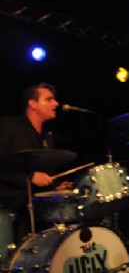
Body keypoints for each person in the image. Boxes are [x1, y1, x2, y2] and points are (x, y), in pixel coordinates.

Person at [0, 83, 73, 248]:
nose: (56, 104)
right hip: (9, 211)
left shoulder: (47, 138)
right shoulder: (8, 126)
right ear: (32, 104)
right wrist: (29, 177)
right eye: (49, 99)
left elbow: (45, 176)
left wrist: (55, 188)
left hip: (37, 214)